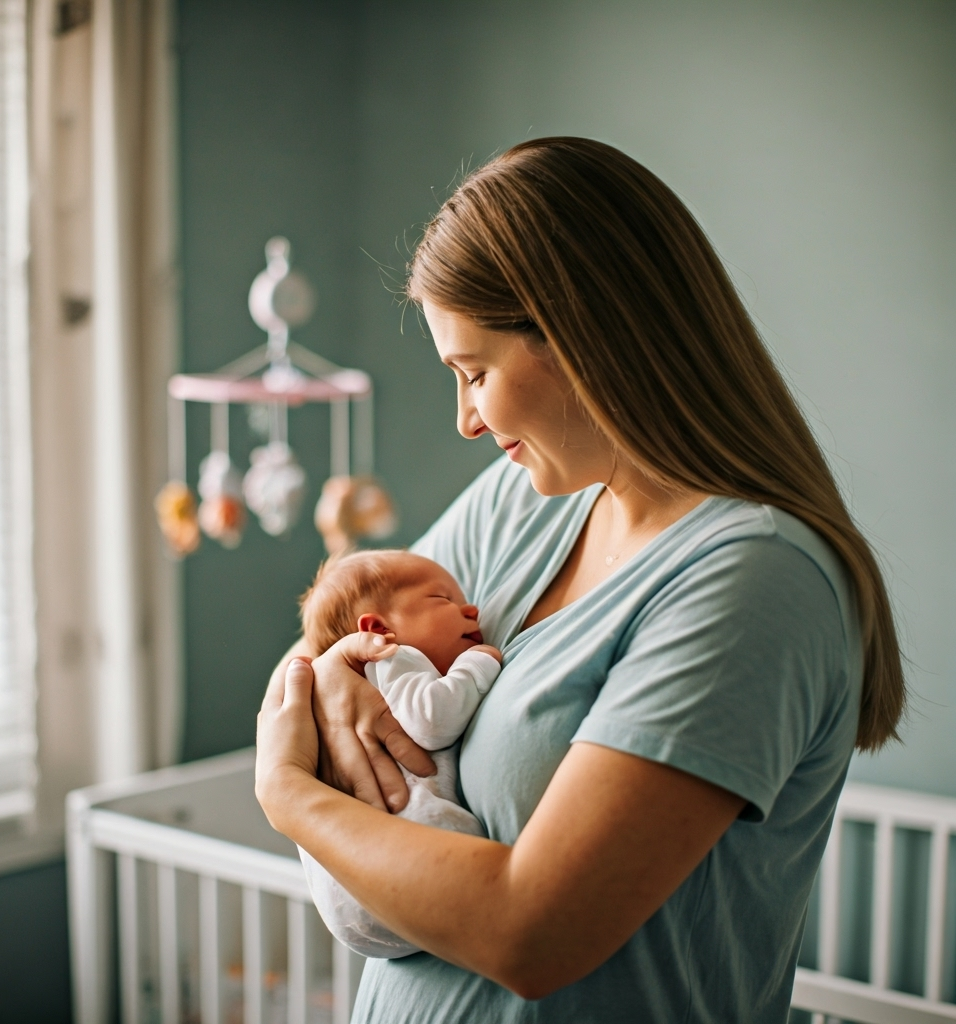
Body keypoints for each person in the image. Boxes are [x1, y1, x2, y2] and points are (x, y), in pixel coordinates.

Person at [255, 137, 906, 1023]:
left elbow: (533, 933)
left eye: (475, 373)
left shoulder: (751, 580)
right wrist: (330, 674)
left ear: (580, 340)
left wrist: (287, 792)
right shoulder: (523, 503)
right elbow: (339, 622)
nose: (467, 420)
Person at [296, 549, 502, 958]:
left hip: (355, 904)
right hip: (415, 856)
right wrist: (477, 666)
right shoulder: (393, 658)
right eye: (443, 599)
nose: (471, 609)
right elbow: (432, 719)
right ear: (378, 628)